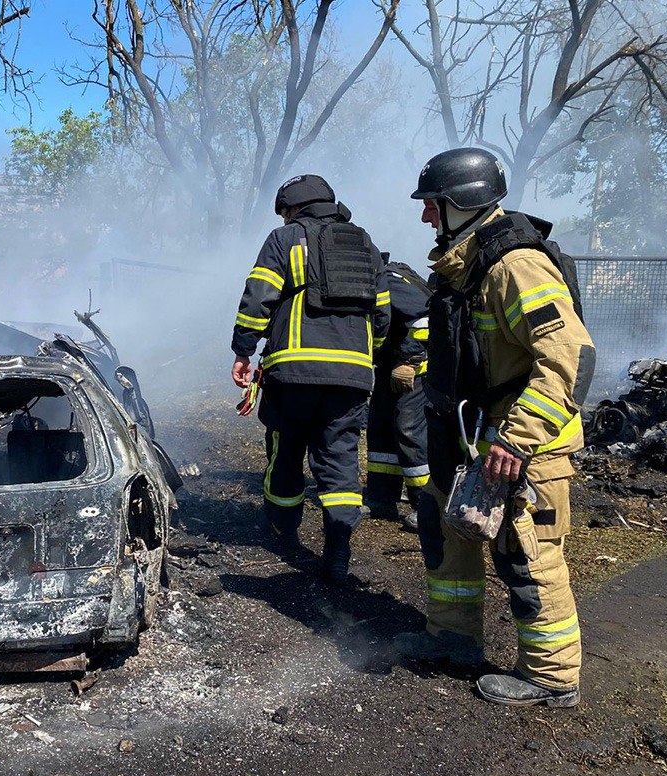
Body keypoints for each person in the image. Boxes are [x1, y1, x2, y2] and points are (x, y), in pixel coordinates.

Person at [394, 147, 596, 707]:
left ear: (463, 202)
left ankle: (552, 677)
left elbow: (569, 356)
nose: (425, 216)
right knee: (447, 532)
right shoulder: (466, 266)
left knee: (527, 552)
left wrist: (518, 438)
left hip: (522, 442)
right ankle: (453, 638)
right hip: (470, 436)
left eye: (432, 204)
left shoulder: (515, 266)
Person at [231, 174, 390, 585]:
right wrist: (363, 357)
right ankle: (338, 545)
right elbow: (383, 314)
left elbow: (259, 296)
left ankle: (283, 531)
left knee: (286, 450)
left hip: (293, 372)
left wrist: (243, 349)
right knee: (340, 460)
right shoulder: (365, 244)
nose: (284, 219)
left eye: (285, 212)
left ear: (294, 207)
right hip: (352, 377)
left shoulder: (285, 239)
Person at [363, 253, 431, 530]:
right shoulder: (374, 279)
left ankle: (426, 506)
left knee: (409, 429)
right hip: (389, 366)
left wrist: (409, 361)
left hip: (416, 369)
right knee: (381, 426)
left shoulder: (389, 281)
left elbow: (426, 319)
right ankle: (381, 498)